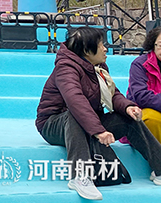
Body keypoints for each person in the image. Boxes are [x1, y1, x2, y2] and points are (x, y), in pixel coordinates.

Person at [37, 27, 161, 200]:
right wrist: (98, 130)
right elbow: (76, 101)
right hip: (54, 124)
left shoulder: (98, 67)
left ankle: (159, 168)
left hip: (88, 121)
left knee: (129, 117)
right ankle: (80, 176)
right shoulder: (65, 68)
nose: (105, 49)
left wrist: (127, 107)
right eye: (101, 45)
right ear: (87, 50)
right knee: (73, 114)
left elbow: (113, 93)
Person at [127, 26, 161, 142]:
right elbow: (141, 96)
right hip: (144, 110)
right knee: (152, 120)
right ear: (153, 45)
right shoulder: (140, 64)